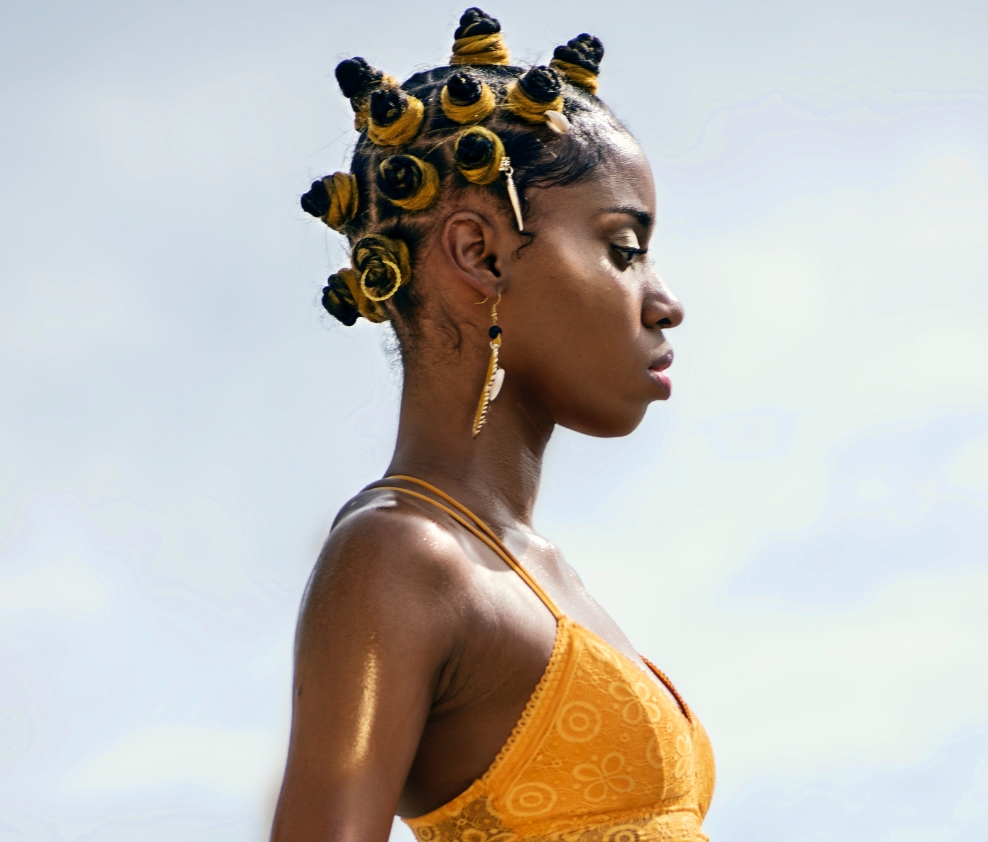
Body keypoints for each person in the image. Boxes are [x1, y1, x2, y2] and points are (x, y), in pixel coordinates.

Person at [271, 9, 714, 841]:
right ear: (479, 255)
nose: (665, 301)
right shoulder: (400, 557)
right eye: (624, 248)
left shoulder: (537, 569)